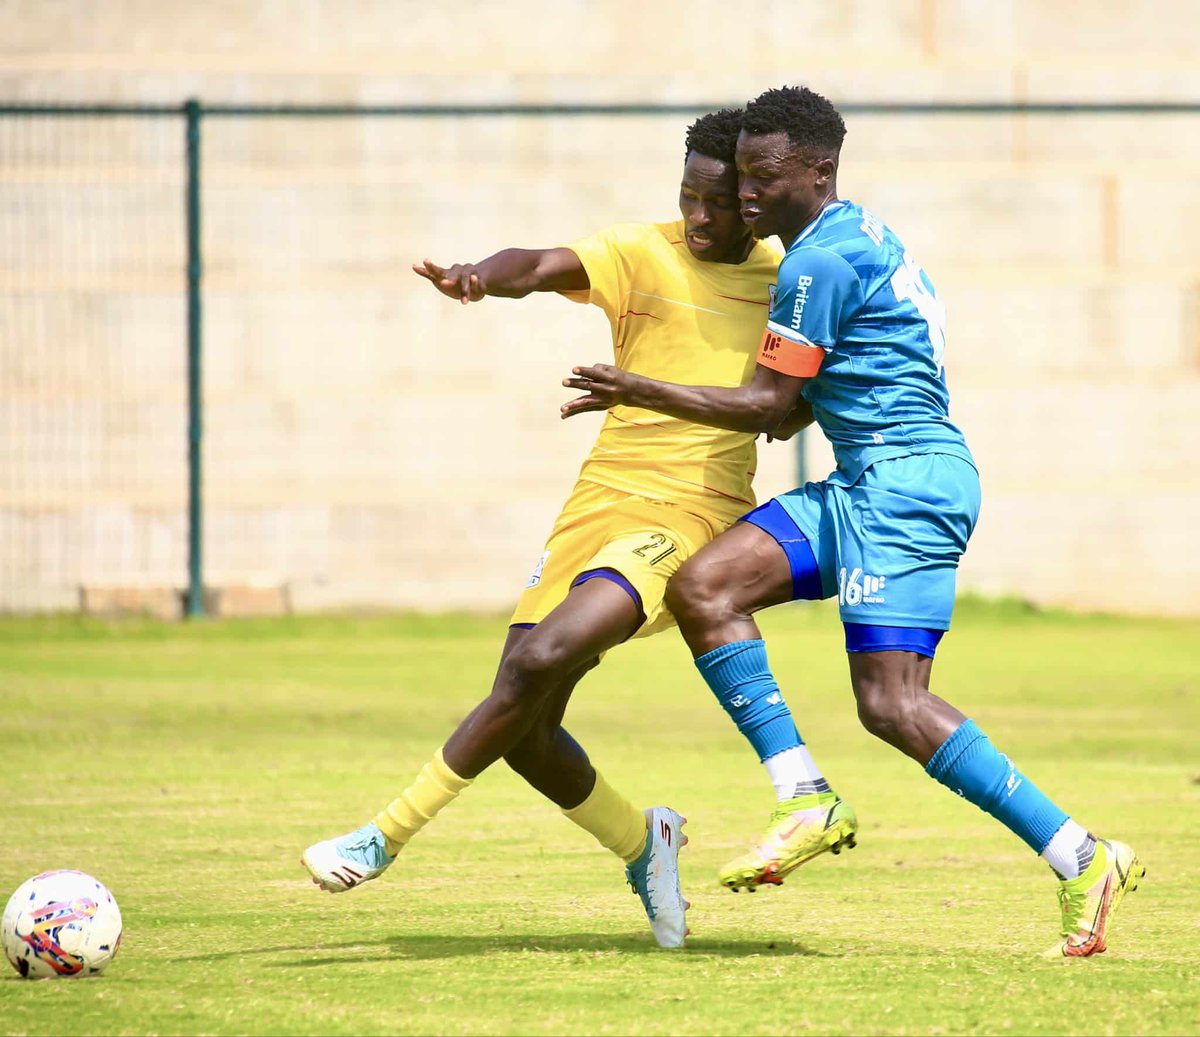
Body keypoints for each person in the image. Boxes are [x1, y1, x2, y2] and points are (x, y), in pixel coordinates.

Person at [560, 85, 1144, 957]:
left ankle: (1082, 856)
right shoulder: (856, 234)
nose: (745, 195)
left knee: (893, 704)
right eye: (742, 176)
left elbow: (767, 404)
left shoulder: (815, 264)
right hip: (867, 479)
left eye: (763, 177)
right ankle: (806, 796)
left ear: (818, 169)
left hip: (903, 487)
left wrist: (635, 385)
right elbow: (793, 412)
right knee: (706, 585)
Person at [302, 108, 810, 949]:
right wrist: (477, 274)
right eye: (687, 196)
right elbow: (538, 264)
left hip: (691, 512)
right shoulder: (642, 251)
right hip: (597, 498)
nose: (697, 216)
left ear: (751, 202)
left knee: (538, 661)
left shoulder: (781, 280)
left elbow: (788, 403)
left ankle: (382, 836)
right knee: (525, 725)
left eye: (717, 203)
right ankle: (643, 841)